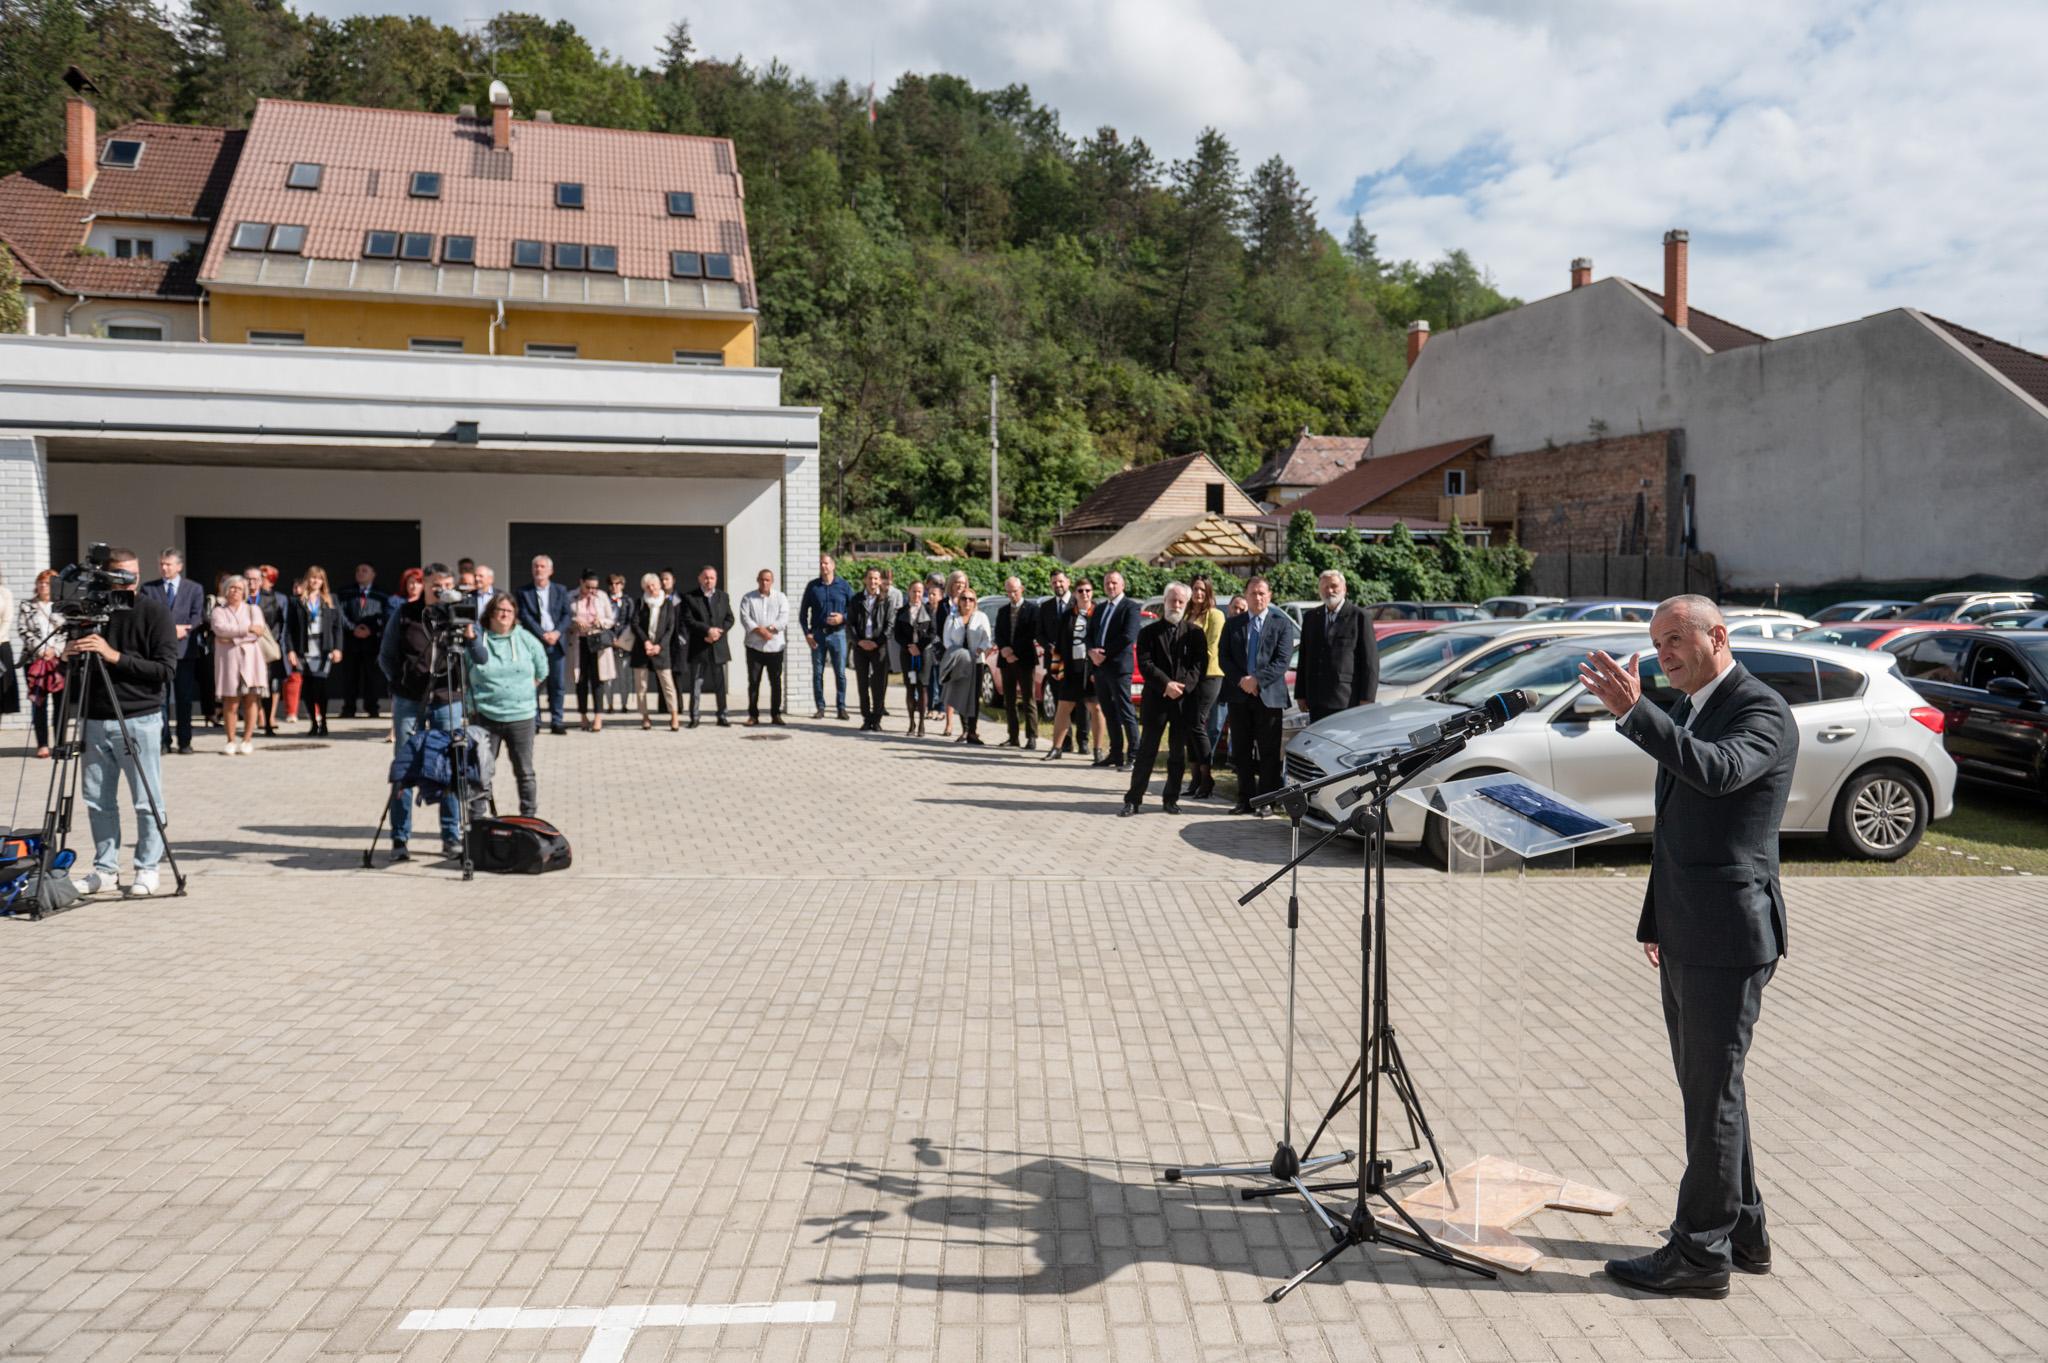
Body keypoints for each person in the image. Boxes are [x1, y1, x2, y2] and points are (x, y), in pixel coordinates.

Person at [1579, 596, 1797, 1300]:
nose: (1666, 652)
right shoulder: (1692, 707)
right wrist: (1655, 918)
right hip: (1687, 927)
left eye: (1676, 639)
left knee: (1712, 1096)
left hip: (1728, 935)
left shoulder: (1759, 710)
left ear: (1717, 636)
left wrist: (1634, 712)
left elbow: (1719, 771)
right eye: (1657, 642)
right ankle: (1745, 1230)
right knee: (1713, 1092)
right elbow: (1678, 830)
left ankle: (1701, 1254)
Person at [62, 547, 176, 898]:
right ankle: (106, 869)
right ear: (104, 578)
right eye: (122, 576)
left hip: (139, 717)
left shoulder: (154, 612)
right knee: (97, 800)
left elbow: (165, 669)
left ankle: (147, 867)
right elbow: (77, 666)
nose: (130, 581)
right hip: (95, 717)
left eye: (134, 575)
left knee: (146, 799)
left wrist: (114, 657)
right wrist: (68, 655)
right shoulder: (90, 612)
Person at [378, 562, 470, 862]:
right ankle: (400, 838)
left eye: (446, 585)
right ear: (425, 583)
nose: (441, 590)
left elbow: (474, 654)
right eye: (435, 585)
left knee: (448, 765)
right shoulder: (405, 613)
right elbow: (386, 655)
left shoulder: (456, 614)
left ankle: (451, 836)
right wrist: (400, 681)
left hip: (447, 698)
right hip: (410, 700)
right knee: (405, 765)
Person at [1122, 583, 1207, 816]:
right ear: (1165, 601)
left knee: (1177, 754)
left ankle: (1171, 799)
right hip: (1156, 700)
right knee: (1146, 751)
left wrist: (1182, 687)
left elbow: (1200, 666)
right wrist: (1166, 684)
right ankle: (1133, 799)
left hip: (1183, 701)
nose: (1176, 605)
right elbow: (1146, 663)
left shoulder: (1195, 633)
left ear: (1187, 603)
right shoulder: (1148, 632)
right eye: (1172, 600)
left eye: (1180, 601)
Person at [1220, 576, 1298, 814]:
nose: (1258, 597)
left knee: (1269, 752)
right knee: (1241, 751)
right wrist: (1242, 681)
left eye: (1262, 593)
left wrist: (1257, 680)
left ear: (1270, 596)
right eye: (1253, 593)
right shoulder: (1233, 624)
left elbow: (1282, 661)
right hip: (1239, 695)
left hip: (1269, 697)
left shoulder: (1280, 624)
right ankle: (1245, 799)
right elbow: (1224, 658)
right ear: (1246, 595)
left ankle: (1266, 802)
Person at [468, 592, 548, 819]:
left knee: (525, 772)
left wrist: (524, 691)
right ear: (490, 613)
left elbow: (543, 669)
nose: (504, 614)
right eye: (500, 610)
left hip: (521, 717)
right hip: (485, 717)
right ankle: (476, 821)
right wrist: (470, 706)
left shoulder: (526, 639)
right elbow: (464, 676)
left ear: (515, 615)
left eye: (509, 611)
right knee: (481, 771)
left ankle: (529, 819)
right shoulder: (477, 641)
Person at [1296, 568, 1380, 723]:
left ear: (1344, 588)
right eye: (1325, 587)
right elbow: (1304, 657)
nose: (1329, 590)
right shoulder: (1311, 618)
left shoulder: (1360, 616)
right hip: (1316, 700)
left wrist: (1367, 698)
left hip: (1346, 700)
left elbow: (1370, 662)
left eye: (1334, 586)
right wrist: (1300, 694)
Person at [144, 549, 205, 755]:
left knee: (184, 698)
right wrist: (170, 630)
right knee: (160, 699)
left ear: (179, 566)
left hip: (184, 652)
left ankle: (185, 741)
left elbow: (198, 616)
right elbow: (147, 617)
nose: (164, 567)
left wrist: (185, 628)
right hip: (158, 653)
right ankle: (163, 741)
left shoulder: (194, 589)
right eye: (161, 564)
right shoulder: (149, 589)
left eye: (168, 564)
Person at [1087, 569, 1142, 770]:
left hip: (1118, 667)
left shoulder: (1131, 607)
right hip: (1100, 668)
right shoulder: (1100, 608)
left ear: (1122, 585)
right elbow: (1090, 633)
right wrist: (1091, 652)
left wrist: (1104, 653)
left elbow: (1128, 636)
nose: (1110, 586)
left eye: (1114, 583)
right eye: (1107, 583)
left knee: (1125, 712)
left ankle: (1134, 755)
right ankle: (1116, 754)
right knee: (1108, 712)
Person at [210, 575, 268, 756]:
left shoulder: (253, 609)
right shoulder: (219, 611)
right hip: (228, 660)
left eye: (239, 588)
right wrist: (245, 630)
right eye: (232, 588)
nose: (235, 591)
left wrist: (231, 637)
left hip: (251, 659)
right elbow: (219, 630)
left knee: (251, 699)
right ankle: (230, 740)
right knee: (231, 701)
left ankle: (247, 739)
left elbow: (258, 631)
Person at [288, 566, 346, 735]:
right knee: (307, 687)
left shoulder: (330, 599)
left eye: (318, 578)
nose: (315, 581)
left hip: (323, 650)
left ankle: (324, 722)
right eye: (312, 578)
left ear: (323, 582)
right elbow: (290, 629)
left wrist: (338, 648)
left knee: (320, 686)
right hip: (304, 649)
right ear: (307, 580)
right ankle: (313, 723)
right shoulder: (297, 601)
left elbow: (337, 627)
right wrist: (290, 650)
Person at [1183, 576, 1227, 799]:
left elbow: (1212, 646)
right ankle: (1194, 779)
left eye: (1202, 589)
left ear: (1208, 592)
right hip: (1188, 676)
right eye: (1194, 589)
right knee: (1189, 725)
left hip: (1209, 674)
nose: (1198, 593)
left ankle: (1206, 778)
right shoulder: (1187, 613)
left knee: (1198, 723)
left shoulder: (1215, 615)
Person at [517, 555, 571, 735]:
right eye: (536, 567)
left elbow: (566, 615)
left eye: (542, 567)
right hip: (534, 643)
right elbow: (525, 616)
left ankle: (557, 721)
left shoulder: (560, 590)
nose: (539, 570)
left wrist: (556, 633)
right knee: (533, 684)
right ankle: (535, 721)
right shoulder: (524, 592)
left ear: (550, 571)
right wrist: (542, 634)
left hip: (556, 643)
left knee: (557, 685)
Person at [679, 565, 734, 728]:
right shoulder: (690, 597)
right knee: (696, 683)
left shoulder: (723, 596)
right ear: (700, 578)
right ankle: (694, 717)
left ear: (716, 579)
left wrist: (719, 632)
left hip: (718, 647)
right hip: (699, 646)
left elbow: (730, 619)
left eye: (712, 578)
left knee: (720, 684)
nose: (708, 580)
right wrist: (707, 631)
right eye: (706, 577)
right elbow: (688, 620)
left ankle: (722, 716)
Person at [625, 572, 681, 731]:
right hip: (642, 650)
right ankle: (645, 717)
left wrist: (659, 646)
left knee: (668, 685)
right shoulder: (640, 602)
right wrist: (646, 642)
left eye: (653, 585)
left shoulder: (667, 603)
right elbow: (634, 623)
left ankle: (674, 716)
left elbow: (670, 628)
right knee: (640, 686)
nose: (651, 588)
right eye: (647, 586)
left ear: (659, 585)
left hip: (661, 650)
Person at [800, 554, 853, 720]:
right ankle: (820, 707)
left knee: (841, 673)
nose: (823, 566)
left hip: (838, 634)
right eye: (821, 563)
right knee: (817, 673)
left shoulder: (843, 586)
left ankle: (841, 707)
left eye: (826, 563)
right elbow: (802, 613)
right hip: (818, 635)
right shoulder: (813, 587)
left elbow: (854, 610)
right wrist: (807, 634)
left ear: (833, 565)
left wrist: (842, 618)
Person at [938, 587, 994, 744]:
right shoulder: (952, 618)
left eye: (971, 599)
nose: (967, 602)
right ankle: (964, 730)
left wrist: (980, 648)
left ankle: (973, 731)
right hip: (960, 662)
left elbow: (987, 638)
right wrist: (958, 652)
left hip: (976, 662)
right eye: (964, 599)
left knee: (974, 698)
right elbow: (946, 640)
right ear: (959, 601)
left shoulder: (981, 617)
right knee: (961, 696)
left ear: (975, 602)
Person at [18, 570, 62, 758]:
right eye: (41, 583)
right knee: (39, 703)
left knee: (60, 704)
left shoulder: (62, 606)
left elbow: (67, 631)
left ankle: (60, 743)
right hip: (35, 660)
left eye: (47, 583)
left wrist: (56, 650)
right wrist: (41, 649)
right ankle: (42, 744)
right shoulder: (27, 605)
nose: (43, 586)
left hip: (58, 659)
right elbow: (23, 630)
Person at [846, 567, 896, 732]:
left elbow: (889, 625)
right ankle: (866, 718)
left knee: (879, 684)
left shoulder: (886, 600)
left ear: (880, 581)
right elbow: (850, 624)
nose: (873, 582)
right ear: (865, 580)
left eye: (876, 579)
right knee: (862, 683)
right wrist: (858, 641)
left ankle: (877, 718)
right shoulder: (856, 599)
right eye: (870, 578)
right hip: (860, 647)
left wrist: (877, 642)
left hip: (879, 647)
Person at [565, 570, 616, 732]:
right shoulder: (570, 596)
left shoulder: (602, 597)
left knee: (598, 679)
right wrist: (575, 621)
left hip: (597, 641)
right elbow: (564, 618)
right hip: (579, 641)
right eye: (588, 587)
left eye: (595, 587)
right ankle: (583, 716)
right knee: (581, 679)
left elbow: (611, 620)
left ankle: (598, 716)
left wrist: (600, 622)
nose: (592, 591)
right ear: (581, 583)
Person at [994, 576, 1040, 750]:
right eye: (1008, 591)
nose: (1012, 594)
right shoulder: (1003, 611)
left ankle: (1032, 737)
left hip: (1025, 659)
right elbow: (998, 633)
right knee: (1009, 700)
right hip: (1006, 661)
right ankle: (1013, 736)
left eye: (1014, 590)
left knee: (1028, 699)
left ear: (1022, 589)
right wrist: (1004, 649)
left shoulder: (1033, 609)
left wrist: (1014, 652)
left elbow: (1031, 634)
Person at [740, 567, 790, 726]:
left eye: (767, 579)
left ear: (772, 581)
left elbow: (784, 618)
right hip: (754, 647)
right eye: (761, 579)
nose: (764, 582)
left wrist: (770, 630)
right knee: (754, 682)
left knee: (776, 682)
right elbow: (745, 618)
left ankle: (776, 714)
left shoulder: (781, 597)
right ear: (757, 580)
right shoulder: (748, 598)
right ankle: (753, 715)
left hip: (775, 648)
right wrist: (760, 631)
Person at [1037, 570, 1079, 753]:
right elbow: (1039, 633)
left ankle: (1083, 741)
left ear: (1068, 582)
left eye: (1060, 581)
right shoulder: (1045, 607)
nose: (1058, 585)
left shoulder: (1079, 602)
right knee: (1060, 701)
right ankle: (1066, 742)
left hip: (1076, 661)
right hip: (1054, 660)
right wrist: (1048, 646)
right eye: (1054, 582)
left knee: (1081, 703)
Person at [338, 563, 387, 720]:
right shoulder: (346, 593)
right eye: (357, 570)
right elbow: (340, 614)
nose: (360, 573)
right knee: (350, 677)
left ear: (373, 574)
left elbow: (384, 615)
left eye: (364, 570)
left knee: (372, 676)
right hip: (351, 641)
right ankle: (349, 708)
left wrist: (370, 630)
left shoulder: (381, 594)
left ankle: (372, 708)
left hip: (372, 642)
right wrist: (353, 628)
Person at [244, 565, 287, 737]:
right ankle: (251, 721)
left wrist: (273, 641)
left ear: (261, 581)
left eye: (255, 579)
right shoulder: (239, 599)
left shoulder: (272, 599)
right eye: (248, 579)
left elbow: (280, 623)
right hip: (245, 648)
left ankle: (268, 722)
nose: (252, 583)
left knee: (269, 684)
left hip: (267, 648)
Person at [893, 579, 936, 735]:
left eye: (920, 591)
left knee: (922, 686)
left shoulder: (929, 610)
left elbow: (932, 632)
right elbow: (897, 634)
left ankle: (922, 725)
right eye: (914, 591)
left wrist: (919, 647)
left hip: (923, 655)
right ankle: (911, 723)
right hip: (908, 655)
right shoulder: (901, 611)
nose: (917, 594)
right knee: (911, 686)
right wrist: (909, 647)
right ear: (908, 591)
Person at [603, 573, 634, 712]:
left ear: (622, 585)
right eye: (611, 584)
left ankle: (624, 704)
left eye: (617, 584)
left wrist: (621, 639)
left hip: (624, 644)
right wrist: (611, 638)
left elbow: (631, 621)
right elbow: (602, 621)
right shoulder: (604, 600)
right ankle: (609, 704)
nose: (614, 587)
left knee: (624, 675)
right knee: (608, 676)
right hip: (608, 642)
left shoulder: (628, 601)